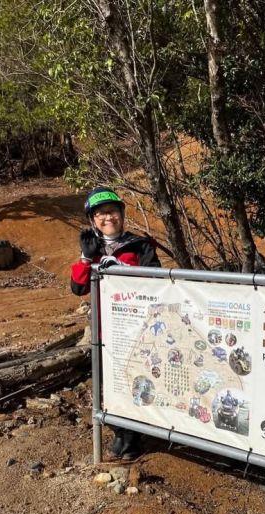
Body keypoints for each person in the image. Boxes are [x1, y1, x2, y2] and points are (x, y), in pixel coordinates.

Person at [71, 186, 161, 460]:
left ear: (121, 214)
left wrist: (124, 271)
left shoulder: (140, 245)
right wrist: (86, 258)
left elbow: (155, 280)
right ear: (92, 219)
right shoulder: (92, 248)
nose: (107, 217)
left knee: (133, 380)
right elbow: (78, 288)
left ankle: (132, 437)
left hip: (135, 328)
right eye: (100, 214)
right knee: (107, 383)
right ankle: (119, 431)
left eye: (112, 211)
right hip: (103, 330)